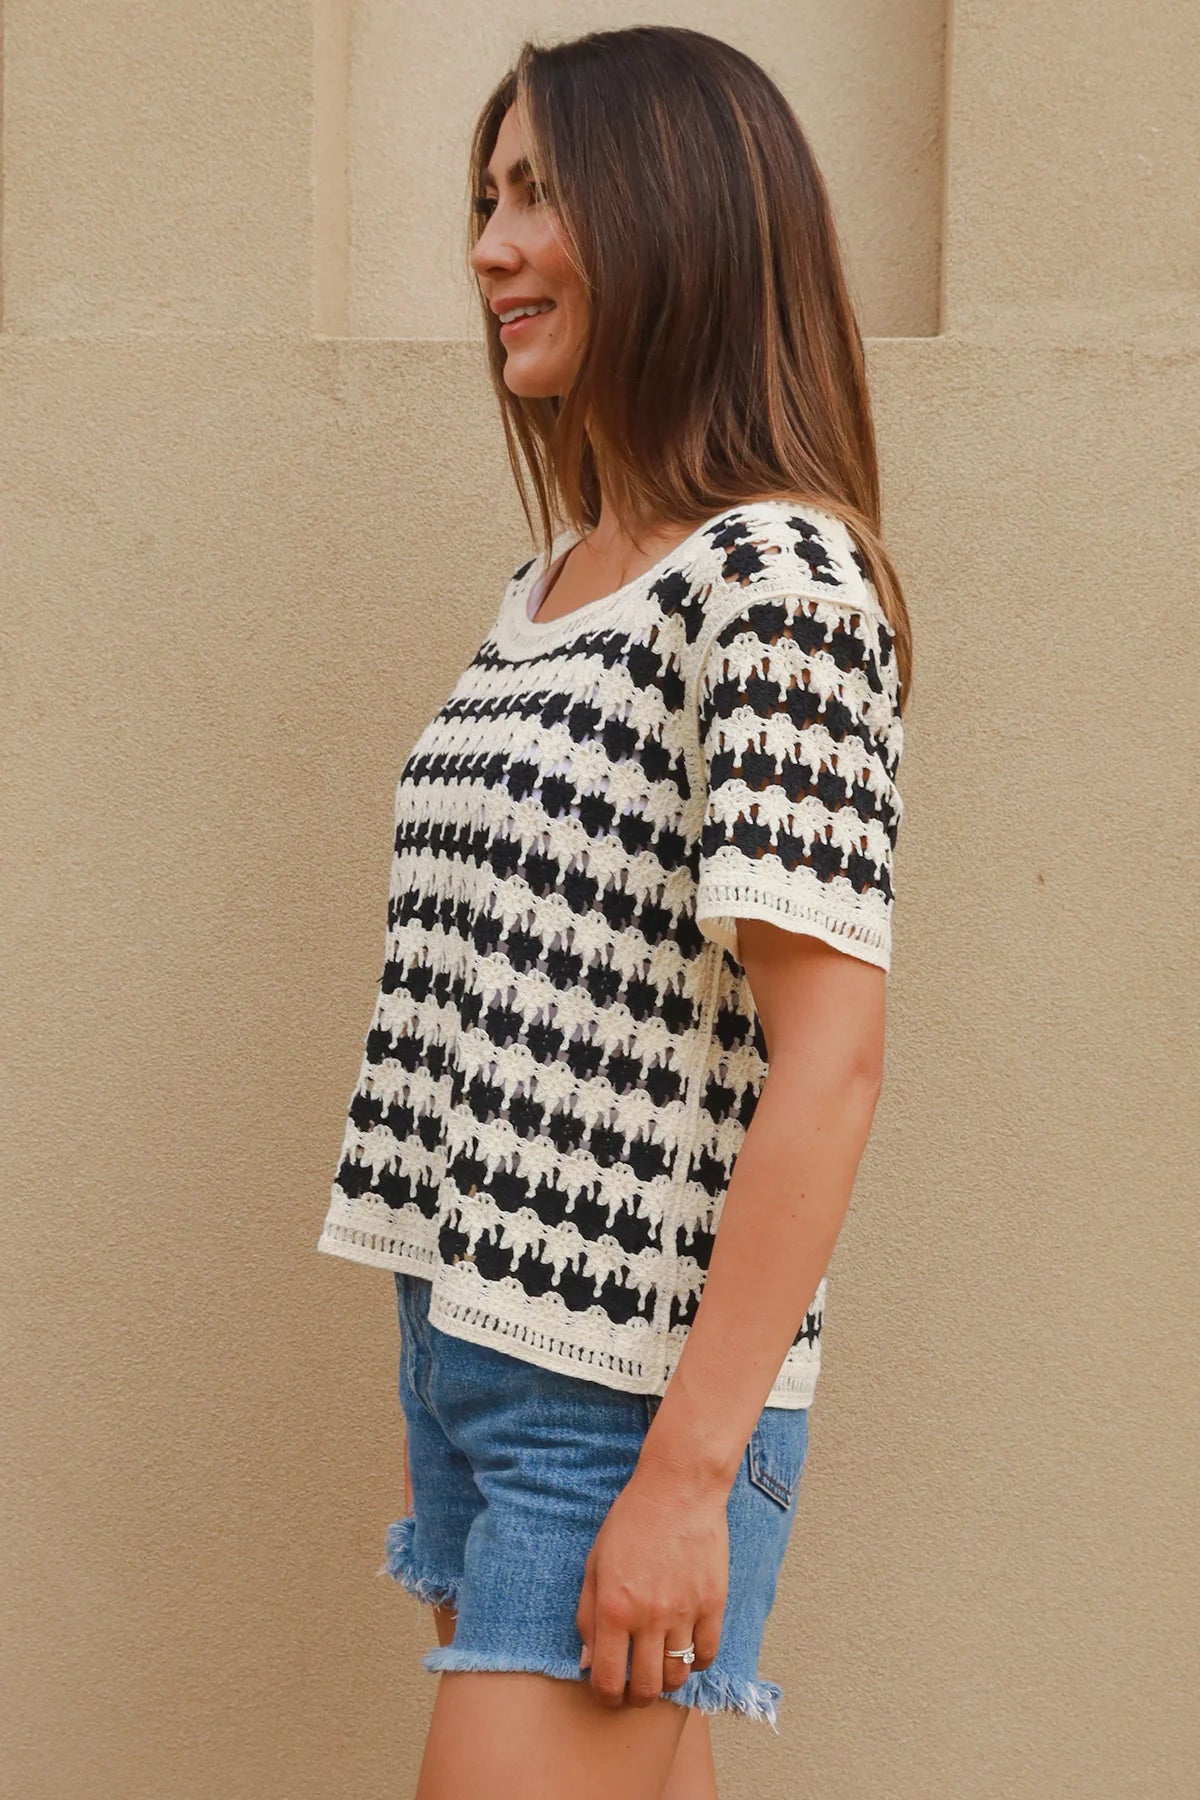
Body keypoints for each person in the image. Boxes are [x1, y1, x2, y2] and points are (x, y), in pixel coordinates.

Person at [317, 25, 912, 1800]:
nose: (490, 247)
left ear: (676, 219)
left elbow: (833, 1055)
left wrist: (684, 1477)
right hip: (478, 1344)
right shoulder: (560, 581)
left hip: (623, 1396)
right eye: (483, 200)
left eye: (539, 195)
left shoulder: (777, 575)